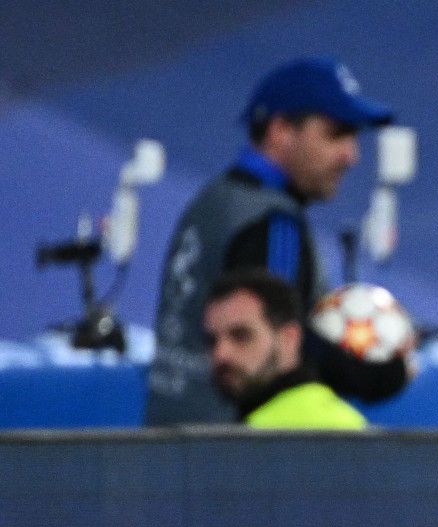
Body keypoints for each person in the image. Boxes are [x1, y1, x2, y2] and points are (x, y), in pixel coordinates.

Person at [149, 56, 405, 425]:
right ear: (281, 130)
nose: (351, 155)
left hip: (170, 434)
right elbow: (275, 360)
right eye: (336, 134)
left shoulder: (214, 201)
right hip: (241, 447)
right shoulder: (271, 222)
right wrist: (378, 370)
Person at [203, 269, 366, 430]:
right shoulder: (343, 420)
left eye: (241, 335)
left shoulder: (266, 435)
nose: (221, 354)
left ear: (289, 338)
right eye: (212, 341)